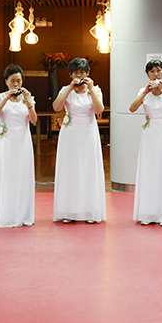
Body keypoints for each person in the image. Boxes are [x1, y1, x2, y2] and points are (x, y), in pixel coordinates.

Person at [52, 58, 106, 223]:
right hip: (70, 134)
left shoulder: (95, 89)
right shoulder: (66, 89)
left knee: (88, 169)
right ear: (71, 75)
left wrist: (91, 89)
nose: (79, 75)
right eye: (76, 73)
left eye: (82, 72)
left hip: (88, 133)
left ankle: (90, 211)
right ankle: (69, 211)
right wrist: (70, 88)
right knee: (70, 169)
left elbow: (99, 110)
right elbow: (56, 107)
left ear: (87, 74)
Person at [0, 65, 37, 227]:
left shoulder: (28, 97)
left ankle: (21, 213)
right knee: (6, 175)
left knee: (21, 175)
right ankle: (4, 212)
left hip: (22, 140)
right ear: (6, 82)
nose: (16, 84)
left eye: (18, 80)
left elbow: (34, 120)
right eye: (12, 81)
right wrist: (6, 98)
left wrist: (28, 101)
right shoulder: (0, 96)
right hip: (5, 141)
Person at [129, 59, 162, 226]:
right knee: (149, 171)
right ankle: (148, 213)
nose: (156, 74)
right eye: (152, 71)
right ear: (147, 74)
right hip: (150, 134)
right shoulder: (143, 91)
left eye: (158, 70)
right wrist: (145, 92)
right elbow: (132, 108)